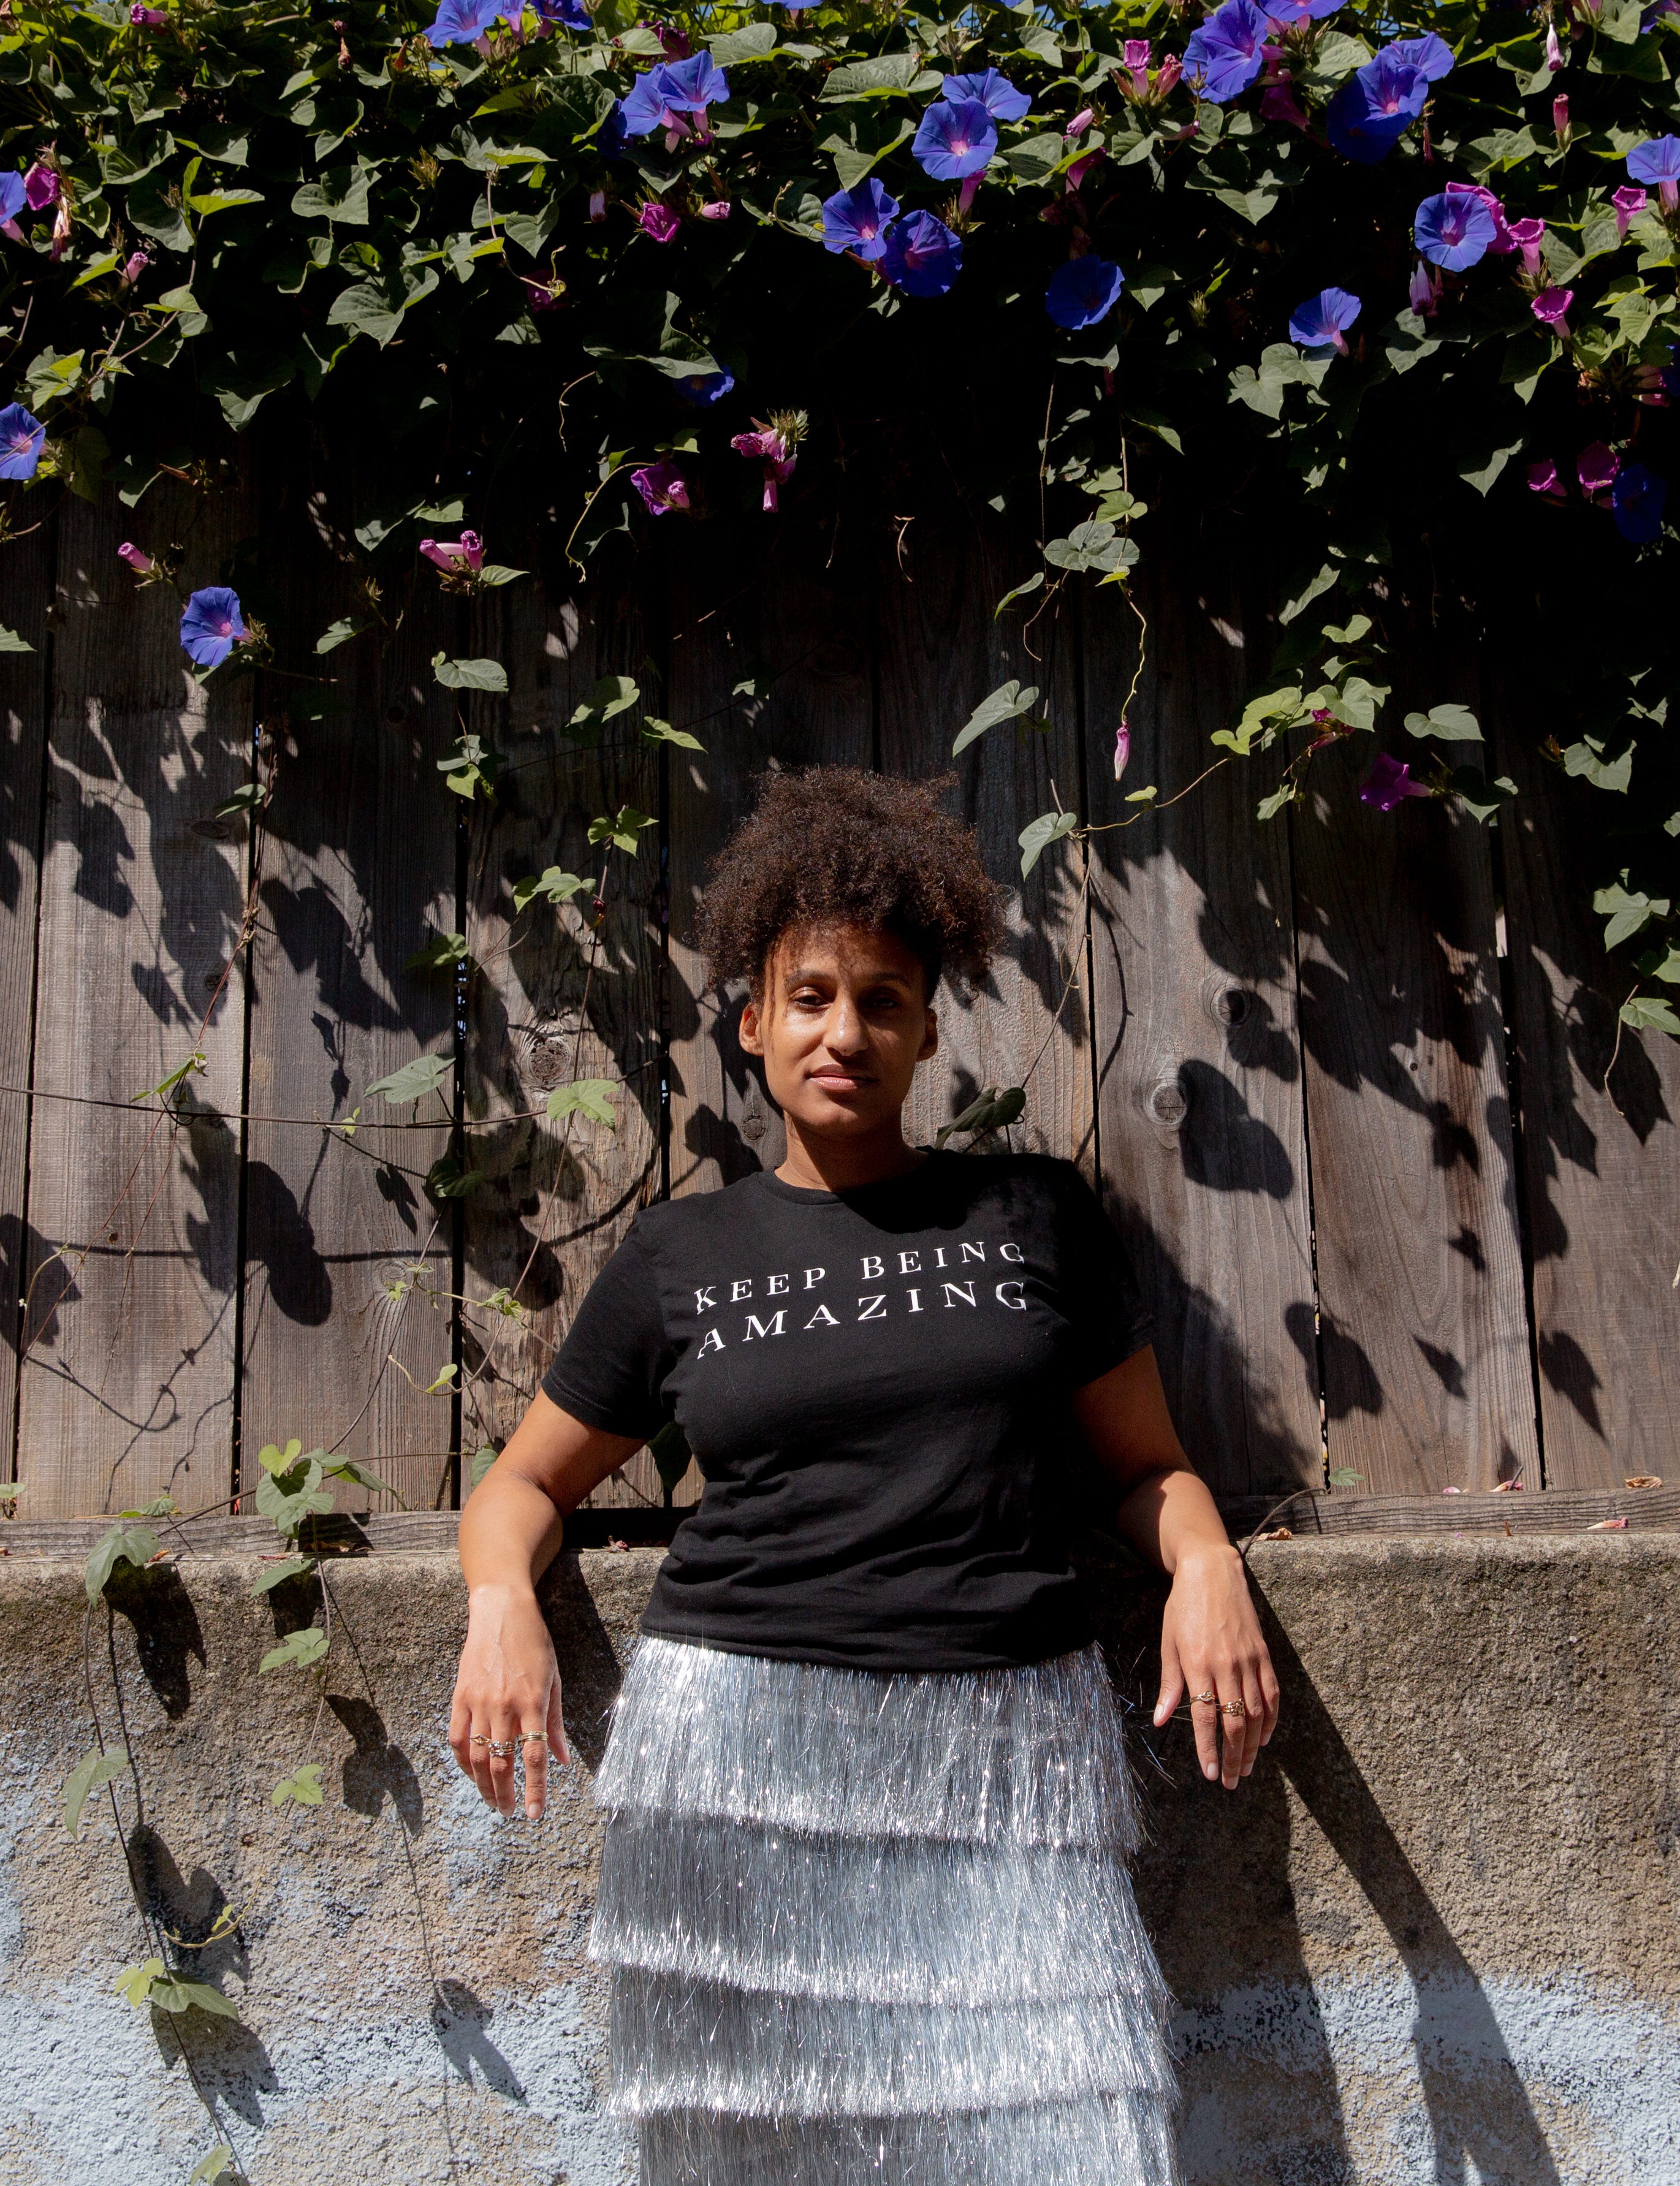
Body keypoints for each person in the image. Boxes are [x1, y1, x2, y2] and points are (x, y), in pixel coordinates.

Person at [450, 765, 1275, 2183]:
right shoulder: (677, 1260)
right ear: (755, 1020)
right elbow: (524, 1489)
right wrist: (499, 1608)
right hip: (741, 1753)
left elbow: (1146, 1469)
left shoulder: (1034, 1214)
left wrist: (1205, 1563)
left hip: (1010, 1753)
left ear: (926, 1031)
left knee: (1063, 2134)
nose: (846, 1032)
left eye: (882, 1001)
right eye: (813, 997)